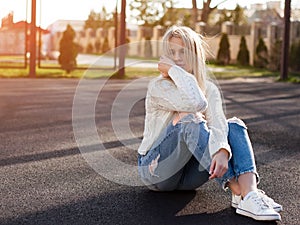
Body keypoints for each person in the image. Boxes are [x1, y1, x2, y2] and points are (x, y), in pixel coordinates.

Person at [137, 25, 282, 221]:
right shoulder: (159, 86)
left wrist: (221, 151)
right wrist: (173, 70)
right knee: (190, 118)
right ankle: (237, 188)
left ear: (195, 54)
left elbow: (218, 123)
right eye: (172, 53)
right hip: (156, 171)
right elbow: (196, 102)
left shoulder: (210, 88)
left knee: (234, 125)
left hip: (189, 178)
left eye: (183, 52)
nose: (178, 57)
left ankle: (249, 194)